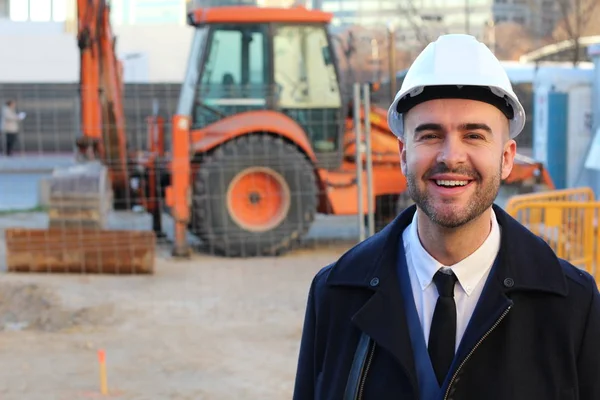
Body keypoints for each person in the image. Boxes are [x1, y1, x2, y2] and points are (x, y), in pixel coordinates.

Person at [292, 34, 600, 400]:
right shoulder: (336, 295)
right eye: (430, 135)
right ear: (404, 154)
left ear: (506, 157)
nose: (451, 157)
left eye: (473, 135)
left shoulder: (572, 306)